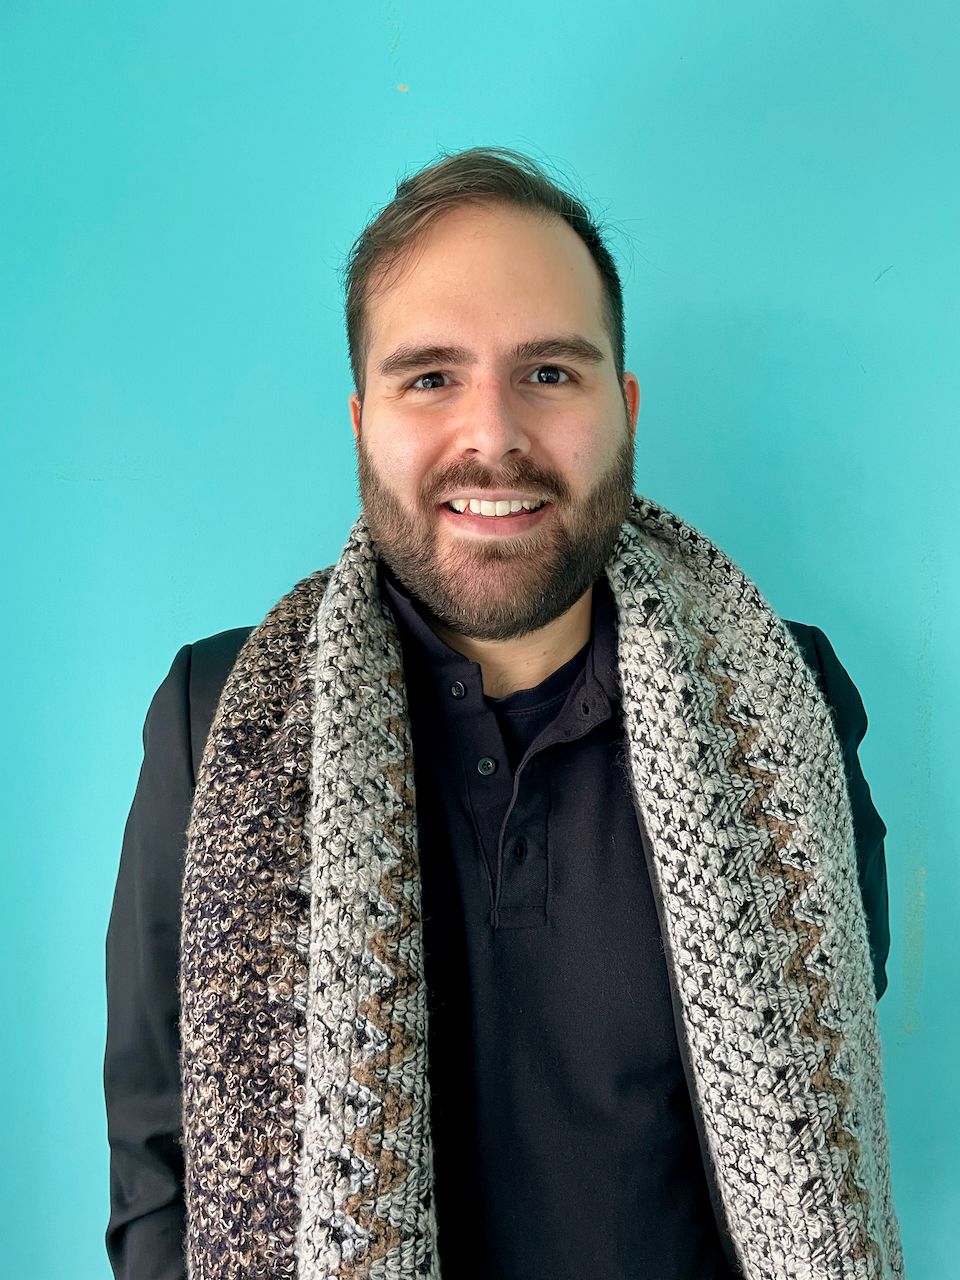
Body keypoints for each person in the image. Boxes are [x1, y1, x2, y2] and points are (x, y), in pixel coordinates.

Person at [103, 146, 903, 1280]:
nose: (493, 436)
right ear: (361, 417)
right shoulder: (214, 717)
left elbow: (837, 1069)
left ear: (622, 408)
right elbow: (160, 1158)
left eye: (550, 373)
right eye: (430, 377)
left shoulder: (793, 701)